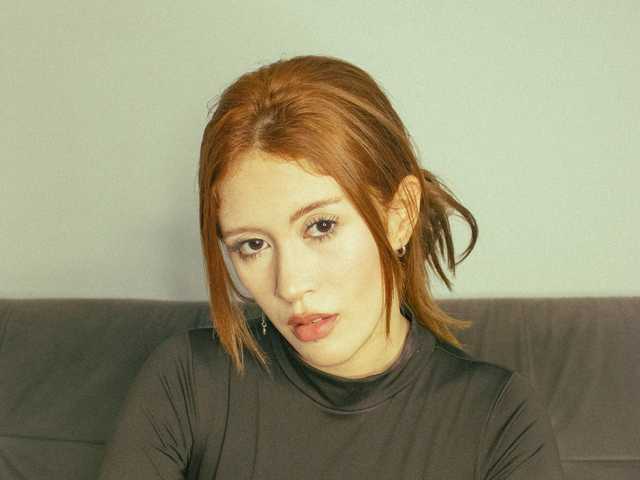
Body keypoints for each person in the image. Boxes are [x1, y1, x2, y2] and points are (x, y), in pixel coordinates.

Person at [98, 54, 564, 479]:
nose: (290, 285)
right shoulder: (187, 382)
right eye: (252, 245)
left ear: (399, 215)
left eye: (321, 226)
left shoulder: (498, 418)